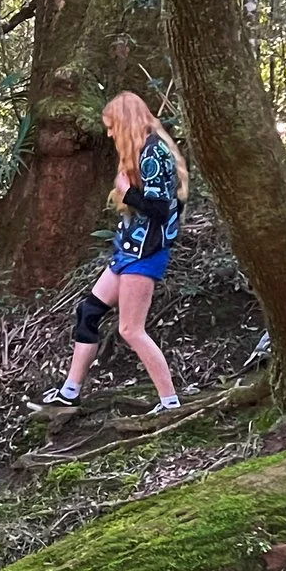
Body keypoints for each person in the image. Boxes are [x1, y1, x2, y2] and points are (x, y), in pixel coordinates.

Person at [42, 90, 184, 413]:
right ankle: (71, 391)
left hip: (145, 253)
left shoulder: (153, 153)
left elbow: (160, 210)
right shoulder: (139, 152)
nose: (108, 133)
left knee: (130, 329)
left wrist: (126, 192)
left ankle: (170, 402)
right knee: (88, 312)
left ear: (126, 122)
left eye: (111, 126)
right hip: (128, 251)